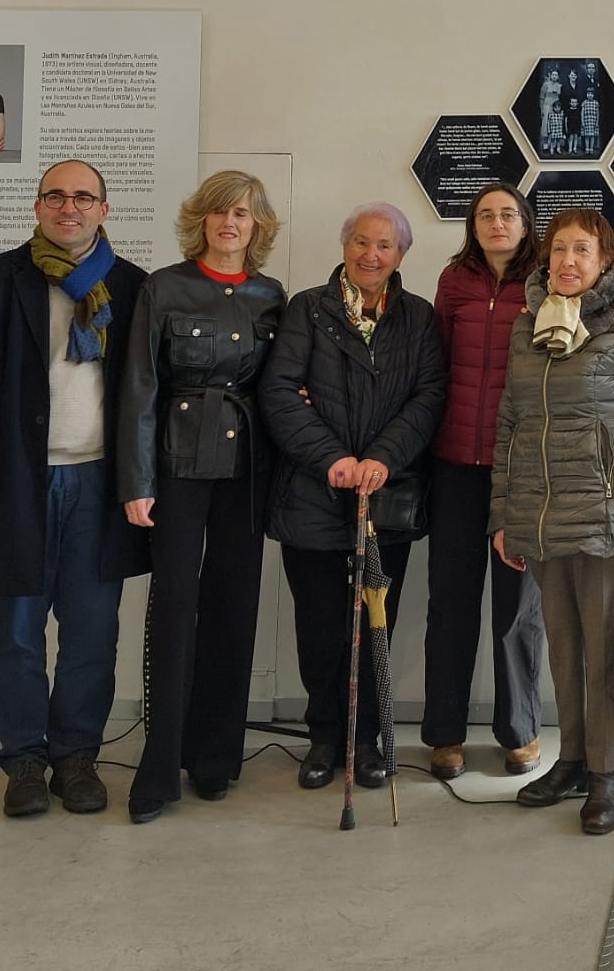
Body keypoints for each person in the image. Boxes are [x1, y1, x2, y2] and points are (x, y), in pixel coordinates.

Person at [0, 159, 150, 818]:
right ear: (37, 207)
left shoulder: (131, 287)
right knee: (17, 632)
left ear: (104, 210)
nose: (70, 207)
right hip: (17, 485)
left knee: (93, 630)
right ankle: (25, 762)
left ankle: (76, 758)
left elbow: (150, 396)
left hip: (99, 485)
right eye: (56, 196)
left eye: (84, 197)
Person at [490, 210, 614, 835]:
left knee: (606, 655)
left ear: (605, 261)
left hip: (610, 522)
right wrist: (505, 515)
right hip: (544, 521)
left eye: (582, 250)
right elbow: (510, 428)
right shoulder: (530, 327)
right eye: (558, 251)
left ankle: (606, 775)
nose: (568, 261)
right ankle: (572, 759)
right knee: (567, 650)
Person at [116, 171, 285, 823]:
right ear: (202, 220)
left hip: (245, 472)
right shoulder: (164, 286)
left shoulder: (272, 296)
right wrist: (137, 484)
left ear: (257, 225)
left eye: (242, 213)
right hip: (178, 469)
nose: (229, 223)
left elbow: (280, 393)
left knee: (233, 609)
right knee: (172, 609)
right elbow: (139, 389)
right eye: (219, 212)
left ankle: (216, 758)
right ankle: (160, 766)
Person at [259, 204, 446, 791]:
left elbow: (428, 396)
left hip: (385, 498)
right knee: (320, 626)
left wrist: (382, 458)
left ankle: (368, 741)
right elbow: (280, 391)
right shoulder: (307, 310)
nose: (371, 254)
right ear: (345, 246)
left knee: (374, 626)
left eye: (384, 246)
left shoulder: (418, 318)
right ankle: (324, 738)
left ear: (401, 256)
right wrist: (333, 459)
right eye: (361, 241)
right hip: (313, 495)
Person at [422, 185, 545, 781]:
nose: (497, 223)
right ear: (472, 226)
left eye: (508, 214)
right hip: (453, 462)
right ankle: (444, 733)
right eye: (485, 215)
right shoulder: (454, 282)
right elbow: (437, 363)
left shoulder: (546, 280)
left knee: (517, 605)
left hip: (520, 466)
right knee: (450, 600)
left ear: (525, 225)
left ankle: (519, 729)